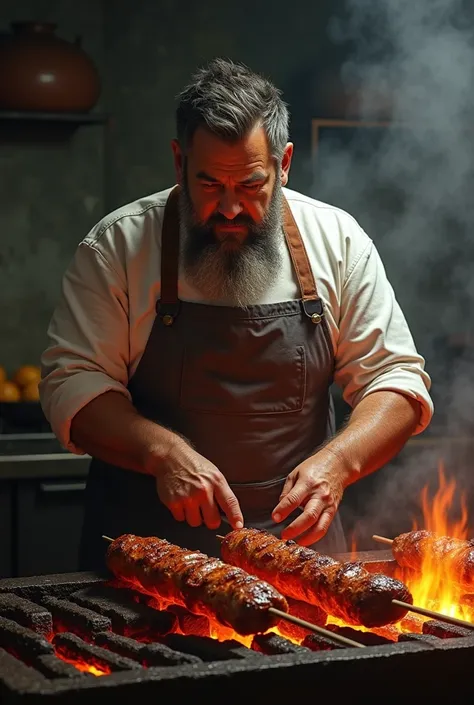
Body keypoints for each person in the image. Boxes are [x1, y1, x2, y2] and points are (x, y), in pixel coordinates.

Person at [39, 58, 433, 571]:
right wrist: (162, 453)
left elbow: (396, 379)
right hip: (151, 559)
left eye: (250, 185)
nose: (229, 209)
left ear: (283, 163)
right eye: (209, 185)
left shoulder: (337, 241)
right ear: (179, 161)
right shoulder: (118, 246)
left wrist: (339, 462)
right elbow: (73, 383)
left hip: (301, 559)